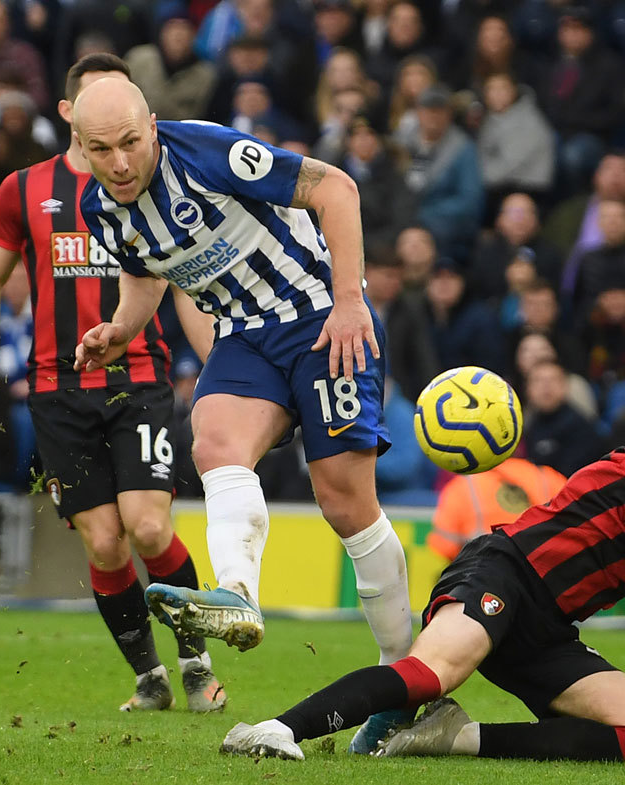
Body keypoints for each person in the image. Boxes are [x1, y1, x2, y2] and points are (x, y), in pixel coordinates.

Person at [219, 360, 625, 766]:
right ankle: (275, 730)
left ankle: (452, 738)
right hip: (506, 569)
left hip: (551, 629)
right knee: (433, 674)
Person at [68, 75, 415, 752]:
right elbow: (145, 270)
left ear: (153, 126)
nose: (120, 162)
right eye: (102, 150)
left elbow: (337, 189)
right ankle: (236, 595)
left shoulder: (210, 153)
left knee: (345, 502)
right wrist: (121, 327)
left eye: (131, 142)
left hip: (320, 317)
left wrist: (350, 301)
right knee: (213, 441)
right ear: (80, 147)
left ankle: (404, 682)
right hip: (243, 335)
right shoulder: (100, 208)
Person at [0, 54, 225, 714]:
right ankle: (150, 676)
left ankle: (197, 664)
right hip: (57, 388)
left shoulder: (156, 188)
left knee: (149, 528)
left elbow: (187, 287)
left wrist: (218, 369)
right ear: (69, 114)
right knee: (105, 542)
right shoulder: (24, 189)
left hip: (138, 377)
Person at [427, 457, 566, 562]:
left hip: (483, 580)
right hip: (544, 582)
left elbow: (445, 546)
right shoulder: (549, 478)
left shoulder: (463, 486)